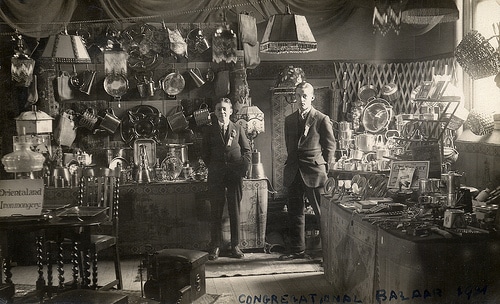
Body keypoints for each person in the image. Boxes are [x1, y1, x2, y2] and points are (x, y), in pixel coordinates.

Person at [280, 82, 336, 260]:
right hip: (294, 172)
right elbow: (290, 146)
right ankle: (297, 250)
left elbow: (330, 147)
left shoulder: (321, 118)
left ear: (312, 97)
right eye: (298, 95)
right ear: (294, 97)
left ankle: (328, 255)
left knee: (322, 215)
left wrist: (324, 168)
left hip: (315, 172)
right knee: (295, 213)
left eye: (305, 96)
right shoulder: (289, 120)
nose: (301, 99)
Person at [201, 98, 252, 260]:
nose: (222, 112)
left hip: (234, 176)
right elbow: (205, 153)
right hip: (216, 176)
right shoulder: (209, 131)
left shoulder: (237, 128)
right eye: (218, 109)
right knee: (215, 211)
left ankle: (235, 245)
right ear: (214, 113)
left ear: (230, 111)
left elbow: (247, 151)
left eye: (225, 109)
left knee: (234, 210)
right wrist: (214, 167)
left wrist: (241, 169)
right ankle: (215, 246)